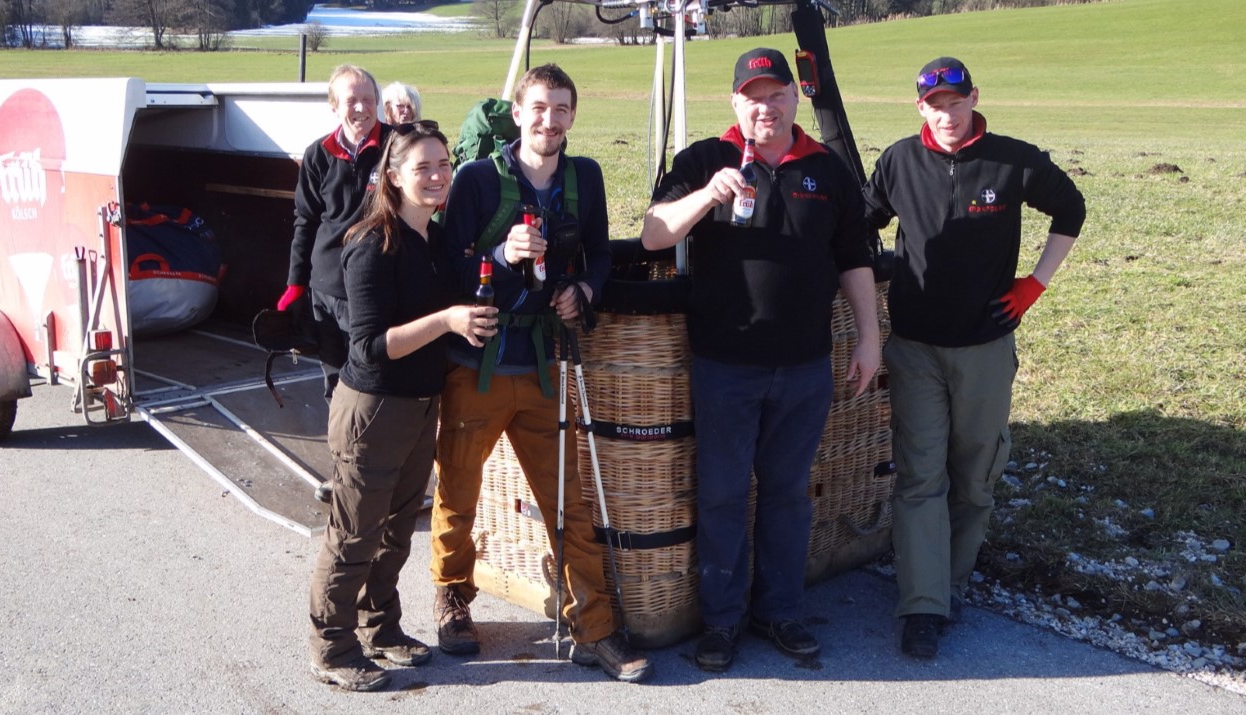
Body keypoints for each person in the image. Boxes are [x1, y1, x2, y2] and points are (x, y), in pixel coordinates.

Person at [641, 47, 880, 673]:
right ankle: (721, 621)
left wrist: (870, 337)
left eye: (777, 95)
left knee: (787, 495)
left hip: (804, 366)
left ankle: (781, 610)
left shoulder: (825, 168)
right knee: (721, 495)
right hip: (726, 364)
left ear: (795, 99)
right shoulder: (703, 159)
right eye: (754, 96)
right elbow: (653, 234)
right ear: (735, 104)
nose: (765, 106)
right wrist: (704, 198)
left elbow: (854, 257)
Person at [431, 64, 652, 684]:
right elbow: (449, 262)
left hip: (547, 366)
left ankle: (596, 630)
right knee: (458, 493)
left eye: (560, 109)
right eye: (537, 107)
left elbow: (603, 253)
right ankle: (453, 601)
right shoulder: (477, 179)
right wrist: (501, 257)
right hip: (478, 364)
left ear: (573, 116)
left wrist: (584, 286)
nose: (548, 120)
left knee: (569, 504)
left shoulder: (586, 177)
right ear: (518, 111)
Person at [862, 57, 1086, 660]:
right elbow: (860, 225)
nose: (947, 113)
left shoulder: (1014, 160)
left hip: (985, 347)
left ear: (973, 99)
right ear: (921, 109)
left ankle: (952, 581)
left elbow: (1072, 211)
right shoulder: (898, 161)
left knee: (975, 475)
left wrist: (1034, 284)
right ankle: (923, 606)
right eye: (935, 104)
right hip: (914, 347)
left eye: (956, 101)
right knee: (919, 475)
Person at [308, 121, 499, 691]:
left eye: (444, 165)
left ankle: (380, 628)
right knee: (353, 533)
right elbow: (368, 346)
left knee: (395, 531)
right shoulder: (371, 243)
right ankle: (332, 647)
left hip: (420, 405)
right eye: (423, 167)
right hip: (373, 408)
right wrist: (447, 322)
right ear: (392, 176)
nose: (438, 176)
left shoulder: (435, 241)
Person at [280, 64, 390, 403]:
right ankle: (341, 452)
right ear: (334, 105)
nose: (361, 108)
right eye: (351, 100)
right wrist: (295, 284)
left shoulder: (396, 147)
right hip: (325, 288)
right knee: (334, 383)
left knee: (371, 376)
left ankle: (371, 452)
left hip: (373, 284)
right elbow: (306, 221)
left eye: (369, 99)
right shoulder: (318, 154)